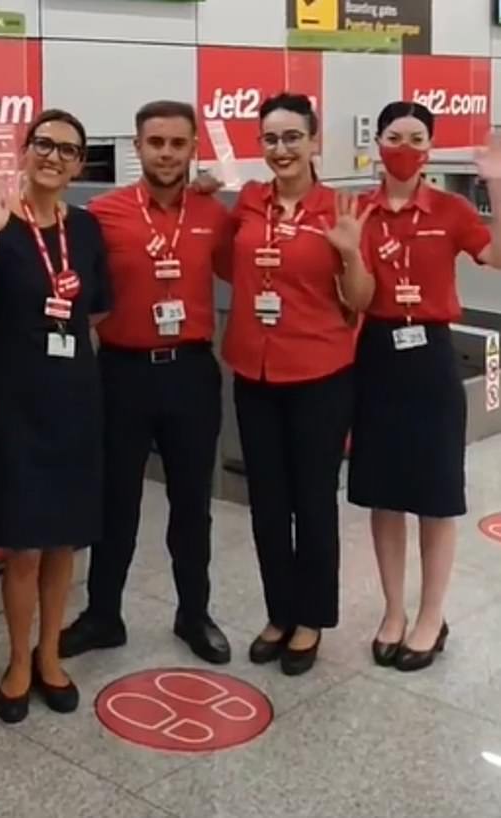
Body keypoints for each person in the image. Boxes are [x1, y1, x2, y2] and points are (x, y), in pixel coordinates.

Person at [59, 100, 232, 665]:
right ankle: (103, 614)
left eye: (178, 144)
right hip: (122, 374)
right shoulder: (101, 215)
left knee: (191, 503)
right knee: (116, 502)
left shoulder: (212, 214)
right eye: (155, 142)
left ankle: (194, 612)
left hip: (192, 373)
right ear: (137, 147)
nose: (166, 153)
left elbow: (257, 265)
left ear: (192, 149)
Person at [0, 109, 111, 723]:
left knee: (63, 540)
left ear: (79, 164)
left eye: (68, 150)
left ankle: (51, 654)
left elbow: (91, 312)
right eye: (43, 144)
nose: (54, 156)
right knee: (21, 546)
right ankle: (18, 659)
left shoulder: (89, 230)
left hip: (73, 399)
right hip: (13, 401)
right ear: (24, 150)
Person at [222, 93, 374, 676]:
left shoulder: (342, 207)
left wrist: (351, 255)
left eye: (292, 137)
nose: (280, 149)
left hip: (319, 375)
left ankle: (311, 618)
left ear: (315, 143)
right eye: (270, 139)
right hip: (254, 370)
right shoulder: (249, 201)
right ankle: (279, 612)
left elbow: (361, 300)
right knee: (266, 503)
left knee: (312, 502)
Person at [348, 101, 501, 671]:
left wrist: (497, 185)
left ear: (430, 149)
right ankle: (392, 609)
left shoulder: (451, 208)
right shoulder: (359, 212)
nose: (404, 146)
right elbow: (354, 293)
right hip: (377, 356)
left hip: (431, 359)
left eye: (416, 137)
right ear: (378, 143)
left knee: (436, 496)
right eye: (394, 135)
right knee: (384, 494)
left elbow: (497, 255)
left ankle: (431, 615)